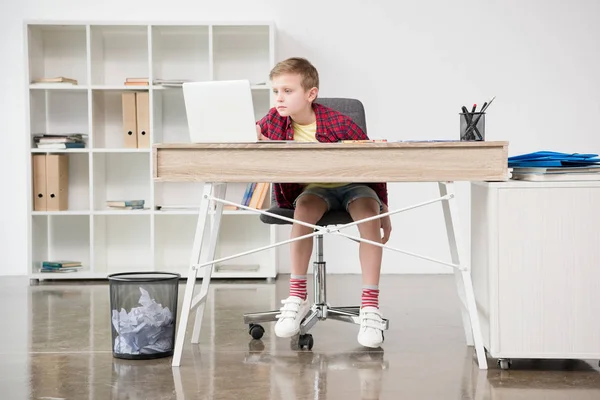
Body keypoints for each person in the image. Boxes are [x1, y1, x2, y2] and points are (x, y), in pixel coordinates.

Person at [255, 57, 391, 348]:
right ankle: (297, 296)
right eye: (276, 91)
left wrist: (385, 210)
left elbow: (373, 164)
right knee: (303, 211)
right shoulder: (273, 120)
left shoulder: (340, 123)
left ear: (310, 94)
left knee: (368, 215)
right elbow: (252, 133)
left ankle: (369, 306)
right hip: (315, 190)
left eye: (287, 91)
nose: (279, 97)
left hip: (355, 185)